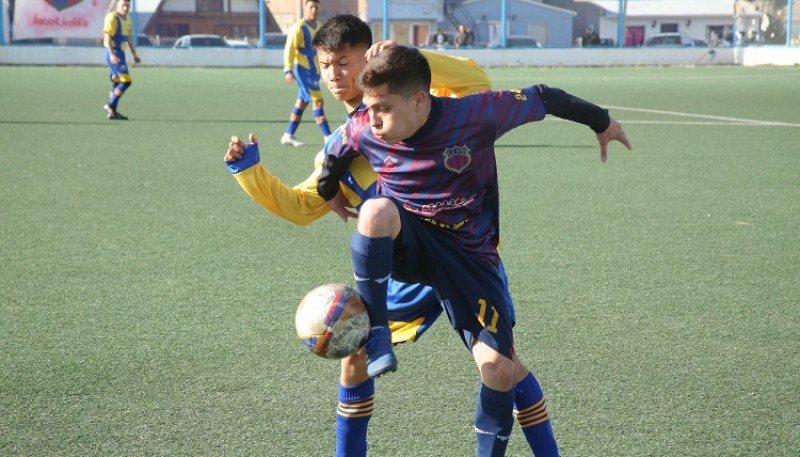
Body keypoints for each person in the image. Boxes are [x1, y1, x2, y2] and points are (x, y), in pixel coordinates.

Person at [225, 15, 563, 457]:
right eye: (324, 64)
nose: (333, 75)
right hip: (403, 271)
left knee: (504, 367)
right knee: (354, 361)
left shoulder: (418, 105)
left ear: (369, 57)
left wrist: (412, 56)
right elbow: (301, 206)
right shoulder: (342, 146)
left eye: (344, 63)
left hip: (461, 255)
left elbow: (476, 79)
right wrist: (248, 171)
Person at [316, 46, 631, 456]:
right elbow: (332, 159)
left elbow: (545, 96)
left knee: (500, 370)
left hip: (468, 256)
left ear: (418, 99)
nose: (372, 120)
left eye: (383, 109)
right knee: (374, 213)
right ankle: (377, 335)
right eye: (369, 107)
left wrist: (601, 121)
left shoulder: (475, 114)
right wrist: (329, 193)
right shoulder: (362, 127)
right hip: (409, 244)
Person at [281, 0, 331, 147]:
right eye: (311, 7)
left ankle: (288, 134)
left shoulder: (321, 27)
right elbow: (290, 48)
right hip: (303, 69)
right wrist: (288, 69)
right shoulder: (299, 28)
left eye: (316, 7)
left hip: (314, 70)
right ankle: (328, 137)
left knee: (302, 102)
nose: (314, 9)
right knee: (318, 101)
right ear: (305, 8)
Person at [102, 0, 140, 121]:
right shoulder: (112, 18)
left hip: (121, 53)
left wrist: (134, 55)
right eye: (123, 5)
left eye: (128, 5)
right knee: (127, 81)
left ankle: (113, 112)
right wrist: (112, 54)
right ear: (118, 6)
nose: (126, 7)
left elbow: (129, 40)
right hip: (114, 53)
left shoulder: (128, 20)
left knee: (117, 81)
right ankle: (110, 104)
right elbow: (107, 38)